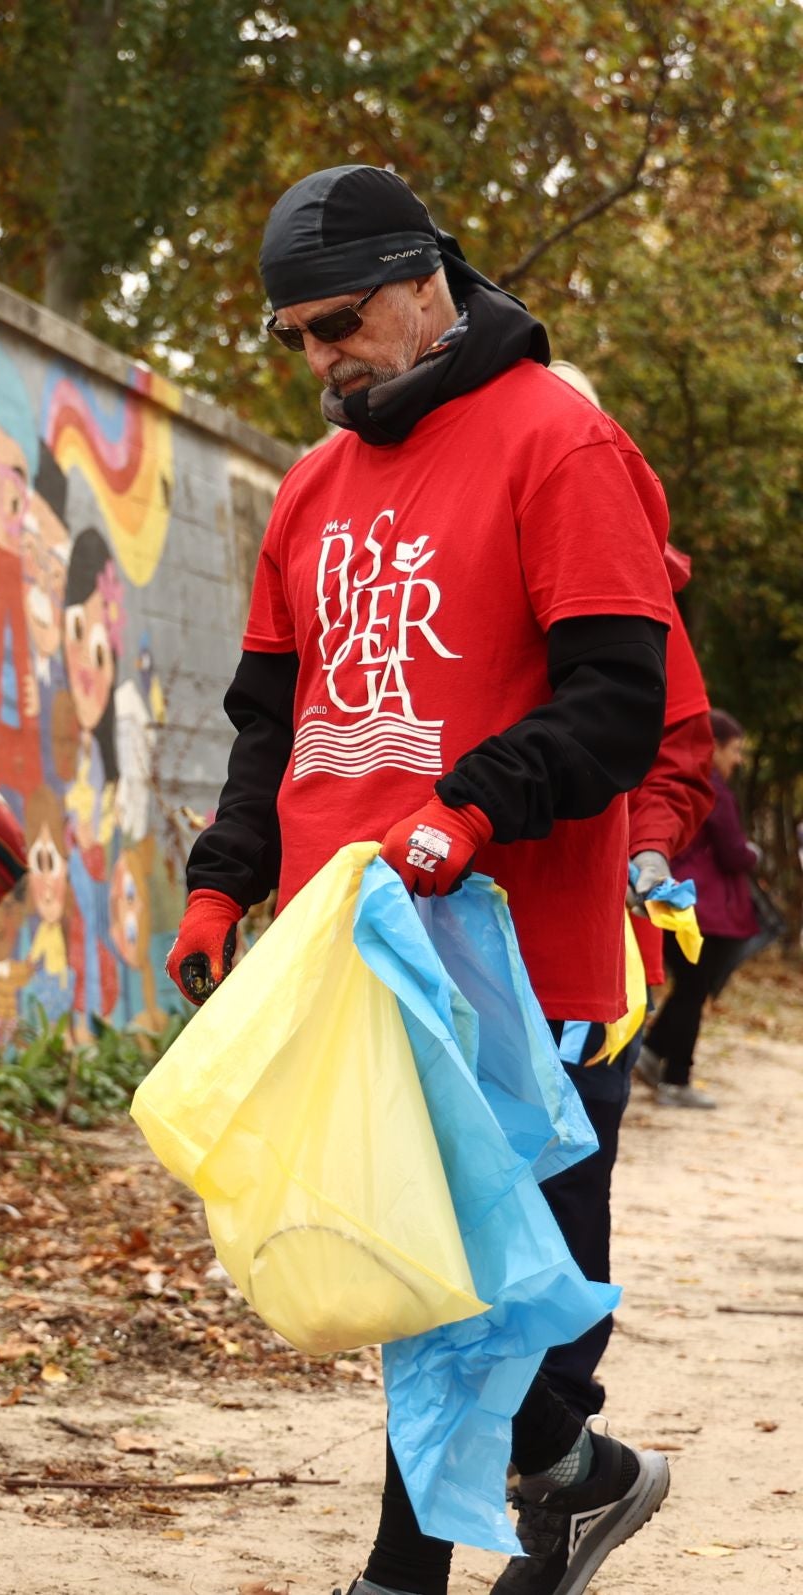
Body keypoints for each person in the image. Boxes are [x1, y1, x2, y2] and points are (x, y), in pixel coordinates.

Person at [166, 165, 675, 1595]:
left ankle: (443, 1548)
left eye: (337, 324)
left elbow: (618, 702)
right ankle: (569, 1485)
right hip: (354, 943)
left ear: (423, 280)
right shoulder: (315, 484)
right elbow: (276, 717)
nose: (321, 362)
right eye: (295, 339)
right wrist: (224, 880)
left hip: (516, 946)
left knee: (493, 1288)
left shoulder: (558, 441)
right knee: (411, 1270)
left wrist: (470, 805)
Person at [528, 364, 715, 1427]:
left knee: (566, 1190)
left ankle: (557, 1438)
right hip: (452, 938)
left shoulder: (624, 569)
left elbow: (674, 746)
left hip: (591, 964)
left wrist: (642, 856)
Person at [638, 710, 759, 1109]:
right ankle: (677, 1080)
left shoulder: (677, 782)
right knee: (694, 990)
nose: (738, 759)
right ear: (716, 747)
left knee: (689, 987)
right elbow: (732, 851)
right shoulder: (712, 788)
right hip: (704, 908)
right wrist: (750, 855)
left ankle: (652, 1053)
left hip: (680, 899)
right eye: (735, 749)